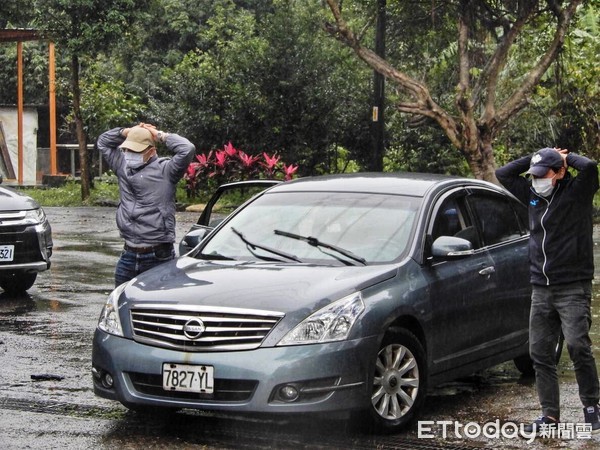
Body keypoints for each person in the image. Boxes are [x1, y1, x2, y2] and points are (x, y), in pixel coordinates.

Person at [496, 147, 600, 435]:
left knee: (578, 347)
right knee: (539, 353)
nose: (537, 179)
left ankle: (592, 406)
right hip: (540, 288)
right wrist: (537, 156)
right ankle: (549, 416)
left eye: (544, 174)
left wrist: (565, 157)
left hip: (572, 286)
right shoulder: (531, 194)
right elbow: (503, 173)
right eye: (534, 175)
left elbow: (590, 167)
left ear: (561, 173)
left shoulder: (577, 193)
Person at [97, 123, 195, 286]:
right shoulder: (123, 166)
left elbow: (187, 149)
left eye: (135, 151)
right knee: (121, 305)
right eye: (127, 149)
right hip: (128, 255)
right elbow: (103, 141)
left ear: (151, 151)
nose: (129, 154)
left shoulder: (167, 170)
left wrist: (159, 135)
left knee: (158, 307)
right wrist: (127, 132)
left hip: (158, 256)